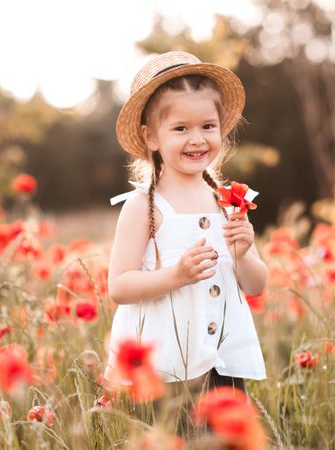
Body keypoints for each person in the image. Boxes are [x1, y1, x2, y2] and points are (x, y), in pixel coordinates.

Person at [105, 51, 267, 397]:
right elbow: (119, 286)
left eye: (208, 126)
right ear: (151, 138)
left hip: (223, 363)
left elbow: (255, 285)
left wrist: (244, 253)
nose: (197, 139)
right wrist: (175, 276)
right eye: (181, 128)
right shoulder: (143, 206)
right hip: (166, 368)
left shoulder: (229, 200)